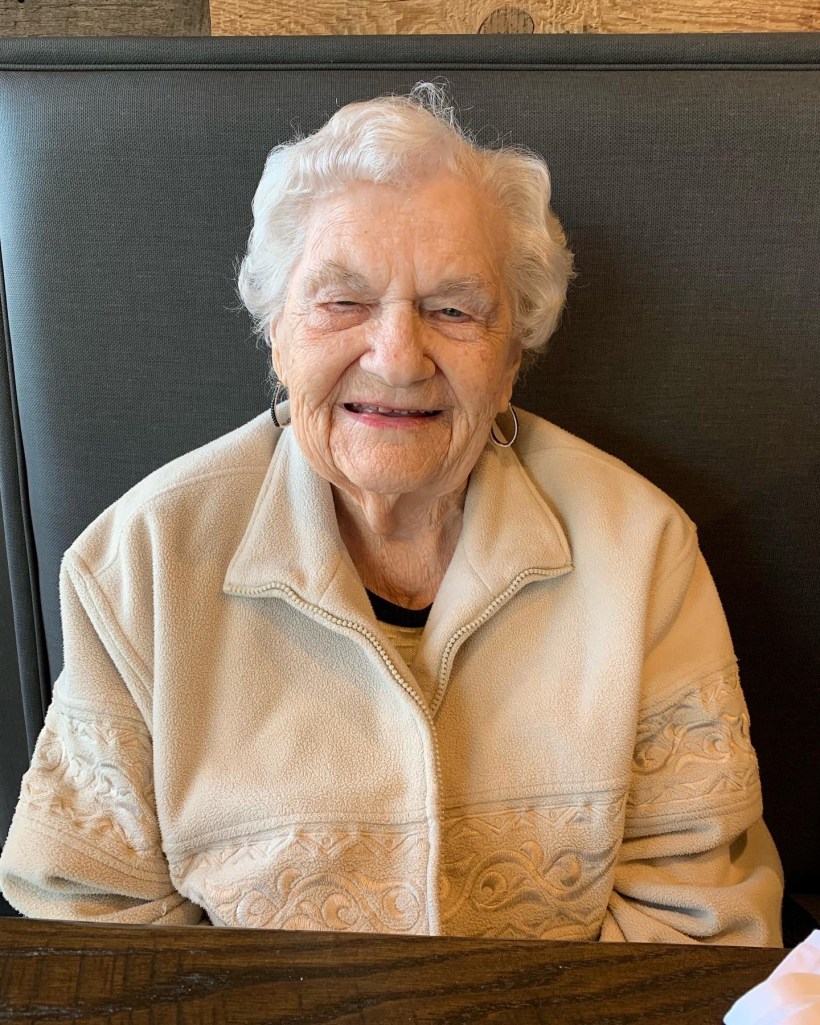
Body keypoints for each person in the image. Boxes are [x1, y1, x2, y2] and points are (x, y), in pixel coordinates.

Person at [0, 83, 783, 943]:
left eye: (453, 309)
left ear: (511, 361)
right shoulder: (137, 565)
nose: (399, 357)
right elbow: (90, 923)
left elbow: (698, 924)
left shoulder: (642, 552)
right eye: (343, 302)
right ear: (278, 333)